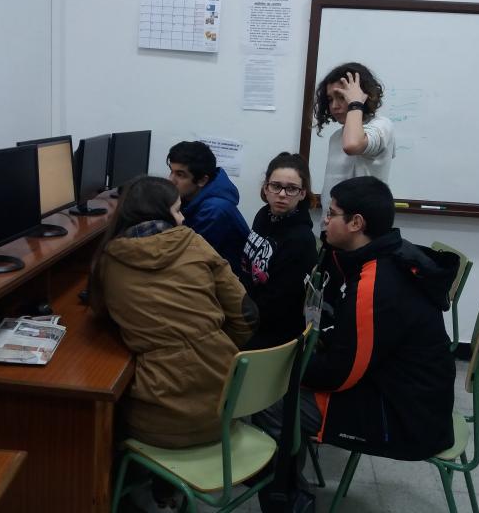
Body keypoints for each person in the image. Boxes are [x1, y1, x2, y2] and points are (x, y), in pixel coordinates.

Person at [253, 176, 458, 511]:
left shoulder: (375, 283)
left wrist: (288, 369)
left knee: (271, 399)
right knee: (282, 381)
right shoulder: (376, 256)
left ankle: (289, 499)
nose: (325, 220)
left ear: (356, 223)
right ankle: (284, 476)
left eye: (332, 214)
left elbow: (340, 374)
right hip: (399, 389)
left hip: (404, 415)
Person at [88, 176, 257, 449]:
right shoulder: (194, 243)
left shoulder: (108, 260)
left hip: (155, 424)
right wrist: (212, 343)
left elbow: (101, 312)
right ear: (160, 213)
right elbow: (246, 315)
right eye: (178, 210)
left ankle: (138, 486)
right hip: (224, 411)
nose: (182, 219)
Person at [239, 152, 318, 349]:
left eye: (291, 189)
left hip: (272, 332)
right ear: (266, 189)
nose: (282, 194)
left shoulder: (300, 240)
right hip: (248, 311)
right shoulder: (263, 215)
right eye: (275, 186)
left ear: (302, 193)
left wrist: (235, 315)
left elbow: (278, 305)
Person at [314, 62, 396, 230]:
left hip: (361, 232)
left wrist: (355, 104)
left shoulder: (381, 125)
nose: (334, 106)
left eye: (342, 97)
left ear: (362, 96)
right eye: (330, 99)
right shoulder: (337, 136)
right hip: (333, 228)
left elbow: (352, 145)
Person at [167, 141, 250, 274]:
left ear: (202, 180)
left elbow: (189, 257)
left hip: (228, 284)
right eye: (171, 171)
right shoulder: (189, 197)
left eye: (180, 175)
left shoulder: (214, 210)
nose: (171, 180)